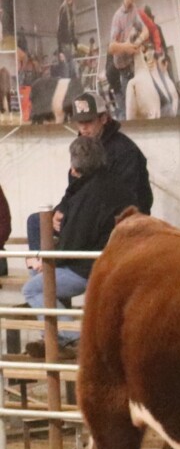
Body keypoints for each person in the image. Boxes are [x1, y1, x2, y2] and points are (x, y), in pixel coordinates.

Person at [23, 135, 132, 356]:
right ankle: (58, 340)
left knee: (32, 288)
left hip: (89, 267)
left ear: (75, 166)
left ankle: (75, 338)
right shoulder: (113, 183)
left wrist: (45, 260)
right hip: (113, 259)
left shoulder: (88, 195)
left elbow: (75, 242)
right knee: (39, 277)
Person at [29, 92, 151, 260]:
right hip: (87, 211)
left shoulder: (125, 151)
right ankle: (44, 274)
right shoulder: (83, 147)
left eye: (89, 121)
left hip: (116, 220)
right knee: (37, 222)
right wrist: (62, 209)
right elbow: (74, 188)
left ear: (103, 118)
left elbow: (127, 198)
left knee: (66, 233)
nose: (84, 128)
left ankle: (54, 276)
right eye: (80, 122)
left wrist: (77, 213)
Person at [105, 0, 143, 114]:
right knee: (125, 111)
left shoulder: (134, 11)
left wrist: (138, 41)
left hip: (129, 69)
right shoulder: (117, 18)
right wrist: (126, 47)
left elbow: (143, 29)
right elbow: (112, 47)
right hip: (118, 75)